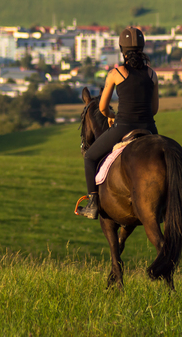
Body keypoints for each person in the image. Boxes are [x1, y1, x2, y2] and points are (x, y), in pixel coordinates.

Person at [77, 26, 159, 219]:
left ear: (122, 49)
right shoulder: (152, 74)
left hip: (124, 126)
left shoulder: (117, 73)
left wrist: (111, 114)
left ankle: (93, 204)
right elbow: (154, 109)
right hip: (150, 128)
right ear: (142, 47)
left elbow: (103, 108)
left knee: (89, 157)